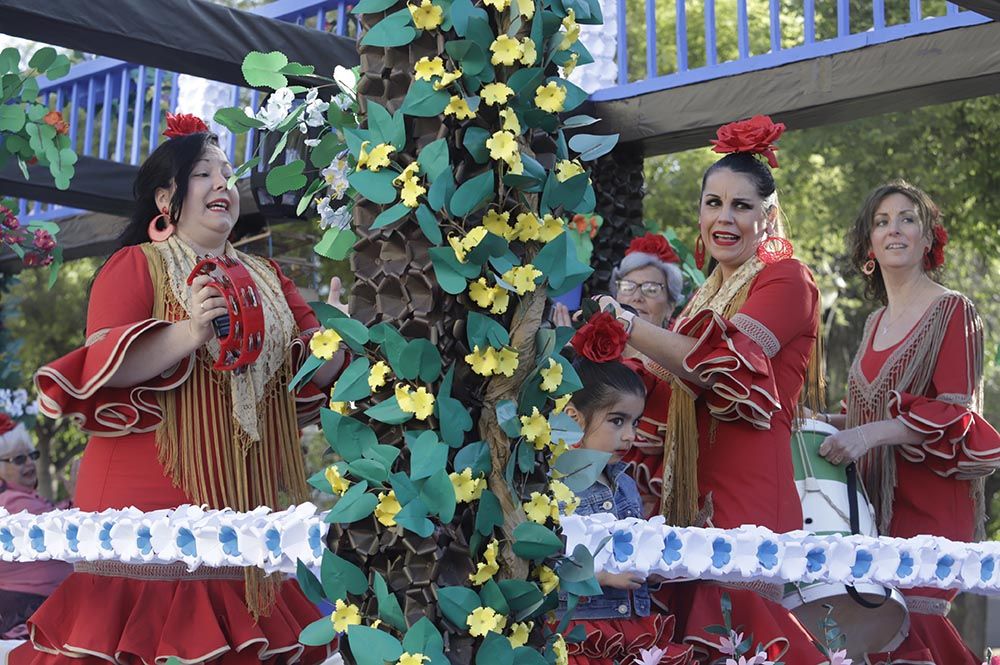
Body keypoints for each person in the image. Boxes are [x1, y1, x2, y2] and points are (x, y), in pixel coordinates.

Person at [18, 113, 347, 665]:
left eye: (228, 173)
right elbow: (104, 367)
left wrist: (335, 342)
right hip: (148, 504)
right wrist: (190, 332)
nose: (224, 184)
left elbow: (309, 376)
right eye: (204, 173)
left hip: (247, 505)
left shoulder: (271, 277)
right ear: (166, 198)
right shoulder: (134, 265)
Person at [593, 116, 825, 663]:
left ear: (768, 218)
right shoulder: (706, 297)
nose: (724, 218)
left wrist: (629, 326)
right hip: (692, 491)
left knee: (740, 635)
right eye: (713, 203)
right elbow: (670, 388)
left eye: (741, 206)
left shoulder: (788, 278)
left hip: (749, 486)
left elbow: (722, 367)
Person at [817, 180, 1000, 665]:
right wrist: (823, 422)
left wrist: (866, 434)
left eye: (907, 219)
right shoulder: (874, 322)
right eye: (881, 222)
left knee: (915, 622)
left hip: (931, 501)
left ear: (927, 240)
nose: (893, 229)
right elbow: (866, 417)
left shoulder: (954, 310)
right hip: (874, 507)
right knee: (881, 633)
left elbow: (955, 412)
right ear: (869, 246)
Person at [556, 313, 692, 665]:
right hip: (583, 632)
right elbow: (544, 560)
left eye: (634, 422)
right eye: (617, 421)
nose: (630, 435)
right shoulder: (553, 486)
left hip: (633, 625)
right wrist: (600, 575)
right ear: (574, 418)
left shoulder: (625, 482)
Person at [555, 233, 685, 517]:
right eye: (628, 285)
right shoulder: (582, 360)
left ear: (671, 304)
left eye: (651, 288)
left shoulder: (679, 372)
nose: (637, 295)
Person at [0, 415, 72, 639]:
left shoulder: (22, 497)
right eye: (19, 459)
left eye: (31, 455)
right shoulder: (11, 502)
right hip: (30, 609)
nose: (30, 463)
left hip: (39, 604)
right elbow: (65, 531)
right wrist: (80, 497)